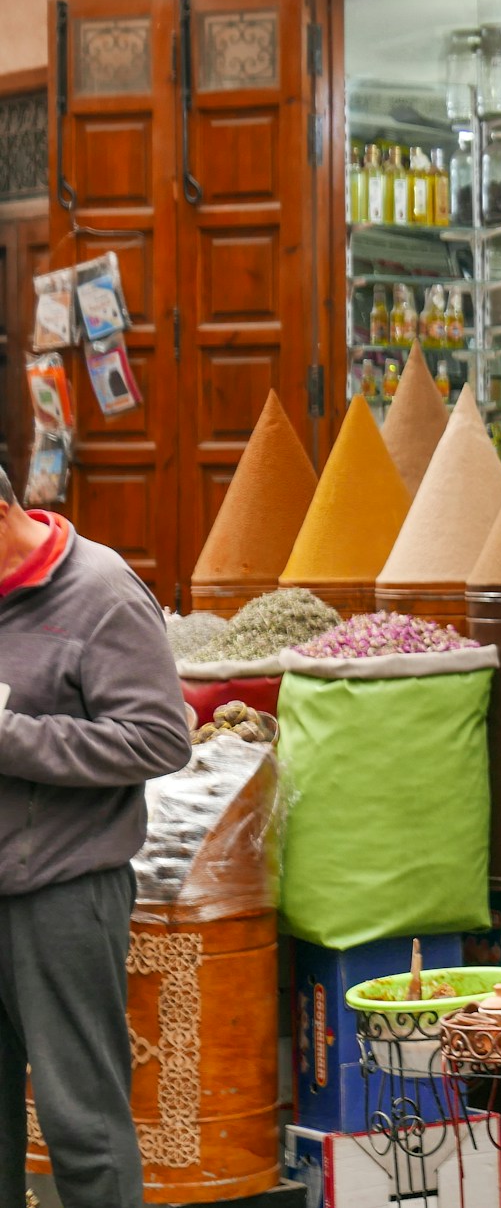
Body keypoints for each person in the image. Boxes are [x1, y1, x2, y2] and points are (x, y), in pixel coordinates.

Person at [0, 473, 192, 1208]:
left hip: (62, 892)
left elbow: (158, 740)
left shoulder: (101, 592)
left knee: (82, 1125)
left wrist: (8, 737)